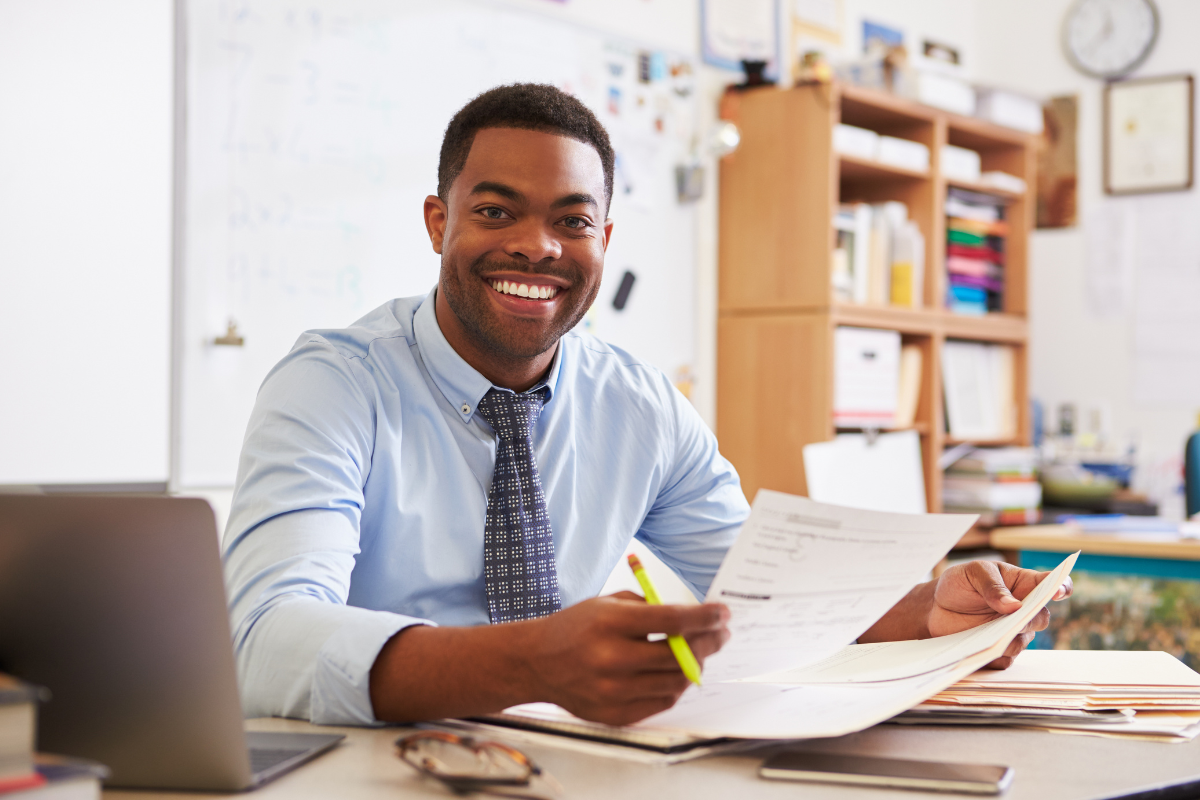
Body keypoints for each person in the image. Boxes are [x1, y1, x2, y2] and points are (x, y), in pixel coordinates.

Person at [223, 83, 1070, 728]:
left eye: (572, 222)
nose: (537, 246)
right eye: (495, 211)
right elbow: (263, 639)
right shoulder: (334, 384)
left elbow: (759, 598)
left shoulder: (639, 404)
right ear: (438, 223)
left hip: (572, 762)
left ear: (603, 242)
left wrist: (927, 608)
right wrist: (528, 663)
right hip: (376, 764)